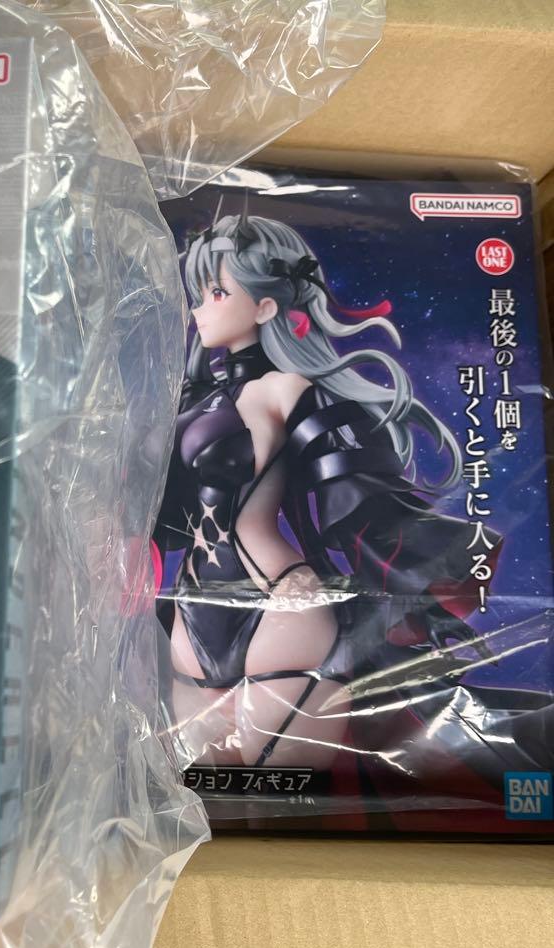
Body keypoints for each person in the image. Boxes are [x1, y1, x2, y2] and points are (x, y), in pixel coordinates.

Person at [153, 205, 487, 772]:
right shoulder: (192, 401)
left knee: (279, 782)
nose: (198, 308)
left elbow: (354, 481)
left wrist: (421, 561)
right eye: (199, 293)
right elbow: (159, 505)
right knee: (204, 785)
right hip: (193, 610)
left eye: (216, 293)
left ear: (265, 307)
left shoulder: (288, 389)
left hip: (280, 602)